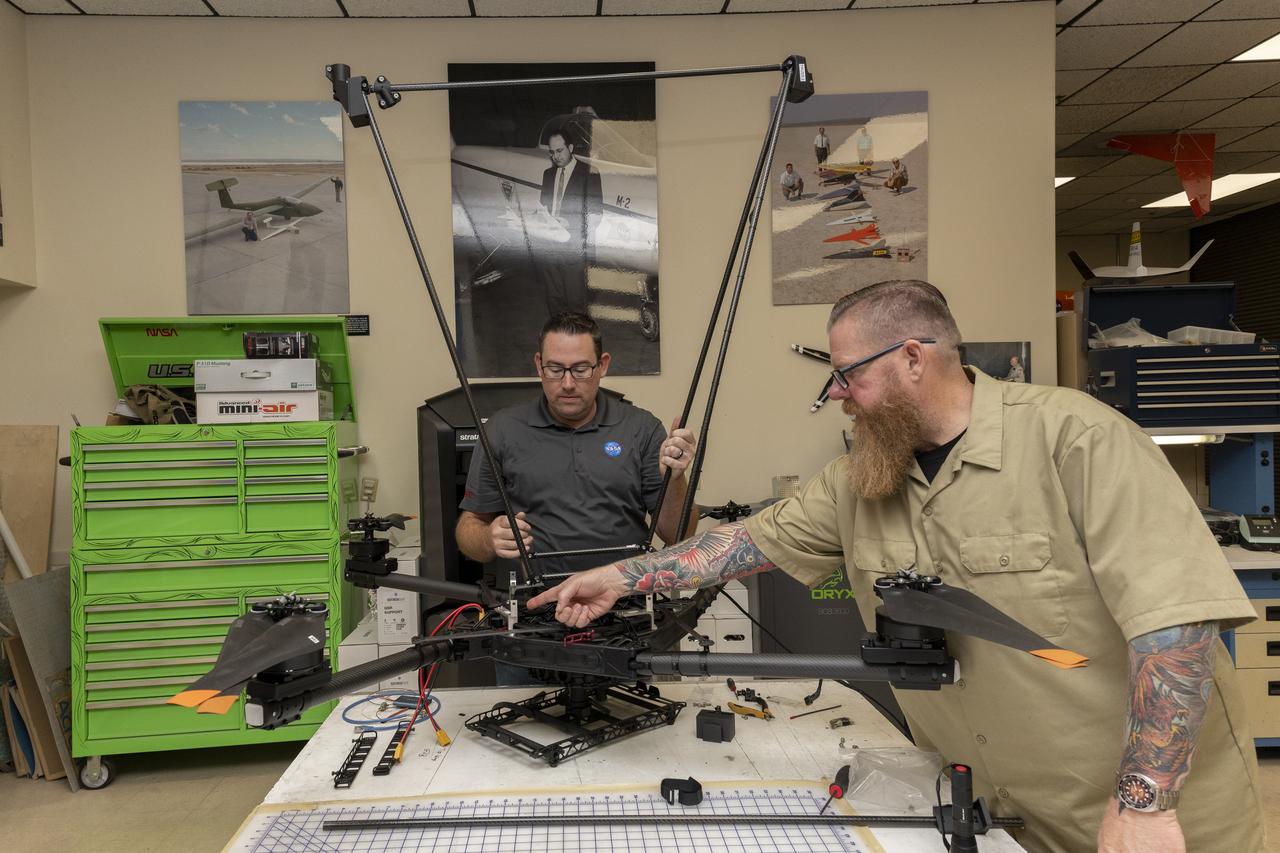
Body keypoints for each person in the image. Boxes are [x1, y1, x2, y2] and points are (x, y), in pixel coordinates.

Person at [529, 280, 1264, 853]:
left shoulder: (1080, 442)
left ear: (914, 358)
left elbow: (1177, 626)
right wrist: (621, 576)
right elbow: (746, 542)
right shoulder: (862, 476)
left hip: (1142, 823)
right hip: (999, 814)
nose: (837, 397)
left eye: (847, 375)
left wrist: (1144, 800)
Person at [457, 311, 699, 581]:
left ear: (603, 365)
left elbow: (678, 534)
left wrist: (675, 480)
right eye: (556, 369)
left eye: (581, 369)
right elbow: (468, 528)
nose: (568, 384)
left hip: (627, 599)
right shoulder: (502, 430)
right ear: (539, 365)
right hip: (539, 601)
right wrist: (489, 539)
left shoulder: (641, 429)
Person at [535, 131, 603, 316]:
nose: (555, 156)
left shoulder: (589, 173)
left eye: (559, 150)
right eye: (552, 152)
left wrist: (570, 223)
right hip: (549, 247)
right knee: (554, 302)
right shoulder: (548, 174)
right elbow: (544, 208)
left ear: (570, 148)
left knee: (576, 304)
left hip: (574, 248)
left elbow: (596, 214)